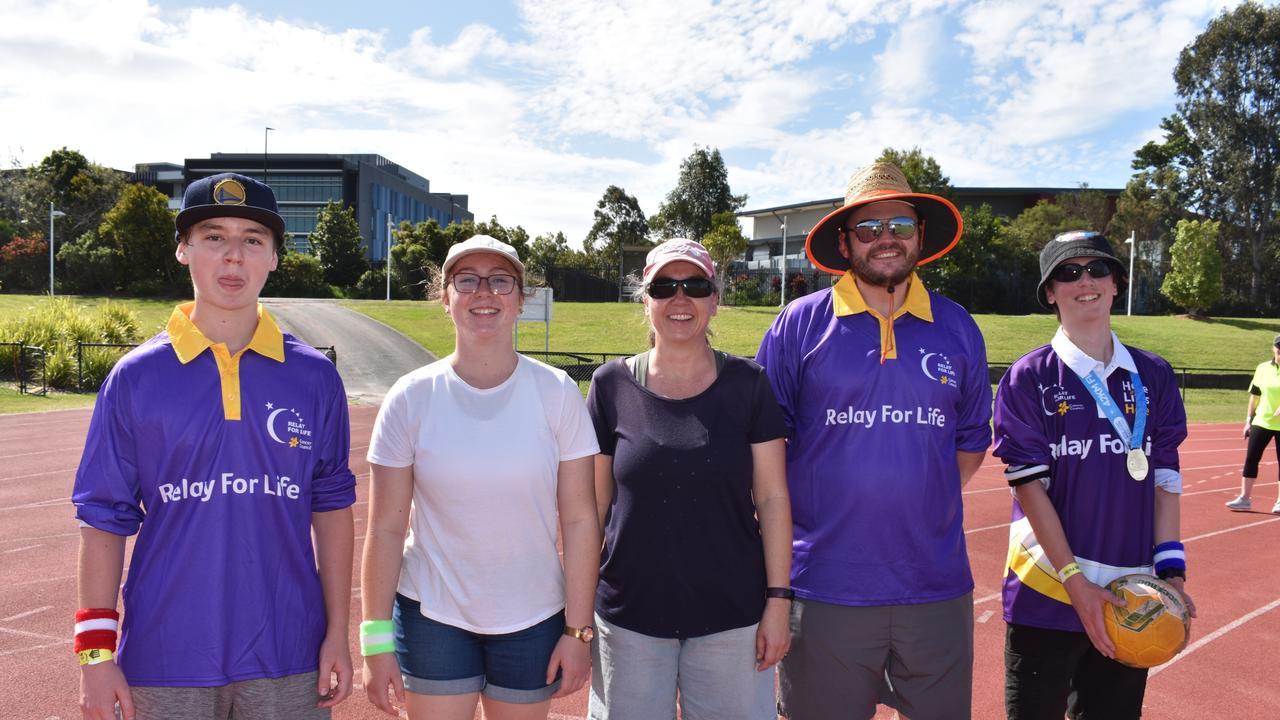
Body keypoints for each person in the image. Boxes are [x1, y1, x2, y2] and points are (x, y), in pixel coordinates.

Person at [72, 173, 357, 720]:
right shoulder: (135, 378)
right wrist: (94, 657)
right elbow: (103, 518)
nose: (233, 257)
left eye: (253, 239)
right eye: (213, 236)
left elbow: (332, 508)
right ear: (183, 250)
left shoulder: (314, 377)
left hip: (290, 654)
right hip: (163, 657)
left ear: (274, 257)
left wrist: (336, 634)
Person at [755, 162, 992, 720]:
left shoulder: (959, 327)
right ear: (844, 241)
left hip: (934, 587)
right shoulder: (798, 326)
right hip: (824, 589)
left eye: (900, 225)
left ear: (921, 236)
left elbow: (970, 443)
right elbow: (764, 453)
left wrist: (918, 493)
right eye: (868, 227)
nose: (886, 238)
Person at [360, 235, 600, 720]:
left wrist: (577, 632)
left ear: (520, 298)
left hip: (533, 617)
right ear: (444, 296)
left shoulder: (556, 393)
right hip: (432, 616)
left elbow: (579, 519)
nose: (484, 293)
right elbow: (384, 527)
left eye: (500, 281)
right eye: (466, 281)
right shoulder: (410, 397)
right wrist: (374, 641)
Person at [585, 239, 793, 720]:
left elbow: (774, 499)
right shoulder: (609, 385)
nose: (680, 299)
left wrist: (779, 602)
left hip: (732, 620)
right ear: (646, 300)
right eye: (664, 287)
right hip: (629, 621)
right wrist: (577, 612)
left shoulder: (749, 385)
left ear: (714, 298)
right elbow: (591, 510)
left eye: (695, 286)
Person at [993, 230, 1195, 719]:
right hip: (1047, 592)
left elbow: (1165, 479)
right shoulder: (1029, 377)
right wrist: (1075, 583)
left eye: (1097, 269)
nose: (1085, 281)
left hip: (1132, 597)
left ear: (1116, 282)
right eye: (1068, 272)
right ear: (1049, 292)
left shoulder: (1154, 374)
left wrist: (1172, 574)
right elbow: (1030, 489)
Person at [1225, 335, 1280, 514]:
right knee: (1251, 459)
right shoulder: (1263, 368)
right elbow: (1254, 396)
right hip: (1261, 421)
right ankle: (1244, 499)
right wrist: (1248, 421)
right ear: (1274, 349)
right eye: (1278, 350)